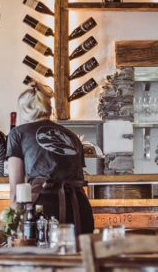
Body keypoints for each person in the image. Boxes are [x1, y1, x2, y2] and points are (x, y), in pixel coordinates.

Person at [6, 82, 94, 235]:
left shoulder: (18, 133)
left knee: (41, 258)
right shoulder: (72, 136)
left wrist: (14, 225)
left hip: (43, 211)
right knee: (79, 257)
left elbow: (16, 189)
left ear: (24, 110)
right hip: (80, 209)